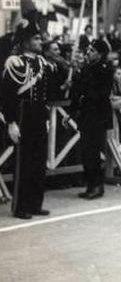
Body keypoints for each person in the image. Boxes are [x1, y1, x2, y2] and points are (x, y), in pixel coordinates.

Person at [0, 15, 55, 219]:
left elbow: (47, 93)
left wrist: (47, 117)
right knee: (23, 162)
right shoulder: (14, 63)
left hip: (39, 114)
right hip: (23, 114)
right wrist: (11, 122)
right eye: (36, 39)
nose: (40, 42)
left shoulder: (42, 63)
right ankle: (20, 206)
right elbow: (7, 95)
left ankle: (34, 203)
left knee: (38, 160)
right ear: (25, 42)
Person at [74, 39, 114, 200]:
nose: (88, 52)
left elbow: (102, 93)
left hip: (98, 115)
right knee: (86, 152)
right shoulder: (86, 68)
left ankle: (98, 185)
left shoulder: (105, 69)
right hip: (86, 115)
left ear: (100, 54)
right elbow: (79, 90)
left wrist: (85, 94)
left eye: (92, 50)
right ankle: (90, 184)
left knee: (94, 153)